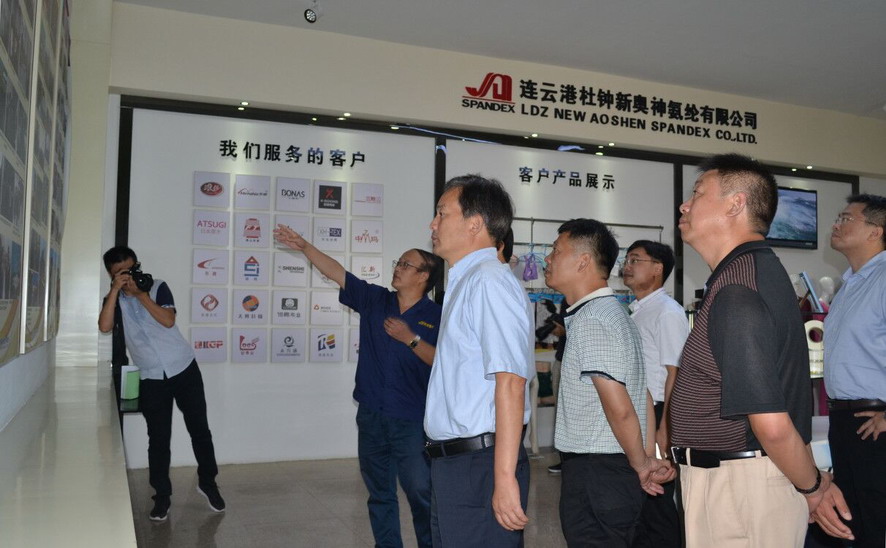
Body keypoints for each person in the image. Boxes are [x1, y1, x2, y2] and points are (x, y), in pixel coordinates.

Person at [670, 153, 833, 547]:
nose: (685, 205)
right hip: (739, 479)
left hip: (740, 486)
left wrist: (813, 489)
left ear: (735, 204)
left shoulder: (737, 290)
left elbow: (771, 424)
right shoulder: (751, 272)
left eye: (697, 193)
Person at [274, 225, 443, 548]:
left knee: (420, 492)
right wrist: (305, 246)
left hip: (411, 420)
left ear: (423, 276)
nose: (398, 268)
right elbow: (338, 273)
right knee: (379, 493)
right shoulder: (376, 299)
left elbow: (443, 362)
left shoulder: (437, 316)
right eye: (398, 262)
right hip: (371, 415)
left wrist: (410, 339)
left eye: (405, 264)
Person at [543, 218, 674, 546]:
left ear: (583, 261)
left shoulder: (593, 319)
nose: (548, 258)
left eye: (556, 251)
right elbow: (641, 393)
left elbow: (621, 407)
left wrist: (641, 464)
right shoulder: (616, 313)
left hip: (597, 472)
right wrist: (645, 458)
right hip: (612, 468)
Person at [424, 175, 534, 547]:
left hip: (481, 465)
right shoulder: (466, 281)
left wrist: (503, 479)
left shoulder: (488, 281)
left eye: (442, 214)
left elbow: (511, 381)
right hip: (457, 464)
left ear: (475, 224)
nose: (433, 224)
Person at [98, 246, 224, 521]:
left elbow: (168, 320)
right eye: (120, 273)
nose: (128, 276)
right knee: (158, 438)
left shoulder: (156, 287)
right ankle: (162, 497)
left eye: (131, 269)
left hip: (183, 368)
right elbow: (105, 326)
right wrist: (116, 291)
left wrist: (141, 295)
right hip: (150, 376)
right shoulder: (114, 299)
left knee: (200, 430)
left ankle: (208, 483)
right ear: (112, 275)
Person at [814, 193, 886, 545]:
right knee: (851, 526)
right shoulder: (851, 284)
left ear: (876, 231)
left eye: (846, 218)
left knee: (875, 524)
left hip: (876, 420)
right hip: (845, 421)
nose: (836, 225)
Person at [622, 240, 688, 548]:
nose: (627, 266)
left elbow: (677, 372)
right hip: (640, 412)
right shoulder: (638, 310)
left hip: (660, 412)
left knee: (657, 501)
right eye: (627, 260)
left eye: (636, 260)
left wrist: (666, 427)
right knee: (641, 499)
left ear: (658, 268)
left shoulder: (667, 312)